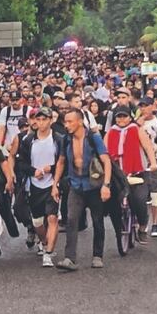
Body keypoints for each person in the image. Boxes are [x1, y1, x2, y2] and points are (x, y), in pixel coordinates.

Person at [52, 109, 113, 271]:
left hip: (94, 185)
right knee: (71, 219)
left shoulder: (94, 138)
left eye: (70, 121)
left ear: (79, 122)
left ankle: (97, 255)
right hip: (76, 185)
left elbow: (106, 161)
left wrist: (106, 185)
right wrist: (54, 185)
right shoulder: (65, 140)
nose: (66, 125)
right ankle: (69, 258)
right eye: (65, 122)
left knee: (98, 221)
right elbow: (61, 162)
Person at [13, 108, 61, 267]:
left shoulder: (58, 139)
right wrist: (34, 171)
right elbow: (21, 163)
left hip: (53, 184)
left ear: (50, 120)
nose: (41, 123)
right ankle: (44, 241)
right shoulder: (28, 141)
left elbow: (64, 162)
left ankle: (48, 253)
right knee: (37, 222)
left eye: (44, 119)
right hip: (34, 186)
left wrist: (51, 169)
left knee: (52, 218)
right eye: (38, 119)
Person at [104, 105, 157, 244]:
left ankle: (142, 227)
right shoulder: (110, 132)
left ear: (130, 117)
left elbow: (148, 147)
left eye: (124, 116)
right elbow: (103, 153)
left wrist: (153, 163)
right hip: (117, 174)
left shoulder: (137, 129)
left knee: (139, 200)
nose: (122, 119)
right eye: (119, 117)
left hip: (137, 172)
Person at [136, 97, 157, 237]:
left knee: (156, 192)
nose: (144, 109)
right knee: (141, 194)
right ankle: (141, 223)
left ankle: (155, 225)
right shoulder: (135, 123)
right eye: (141, 106)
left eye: (146, 106)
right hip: (140, 160)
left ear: (152, 106)